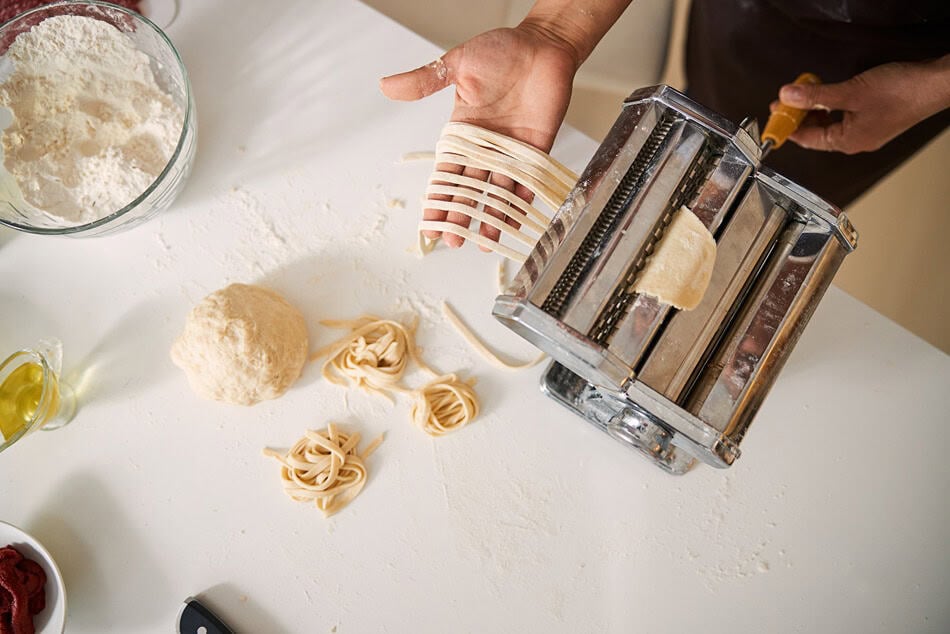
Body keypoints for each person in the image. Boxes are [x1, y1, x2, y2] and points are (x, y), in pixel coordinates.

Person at [380, 0, 950, 249]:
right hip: (753, 17)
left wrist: (934, 86)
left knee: (785, 192)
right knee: (712, 132)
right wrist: (555, 30)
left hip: (919, 46)